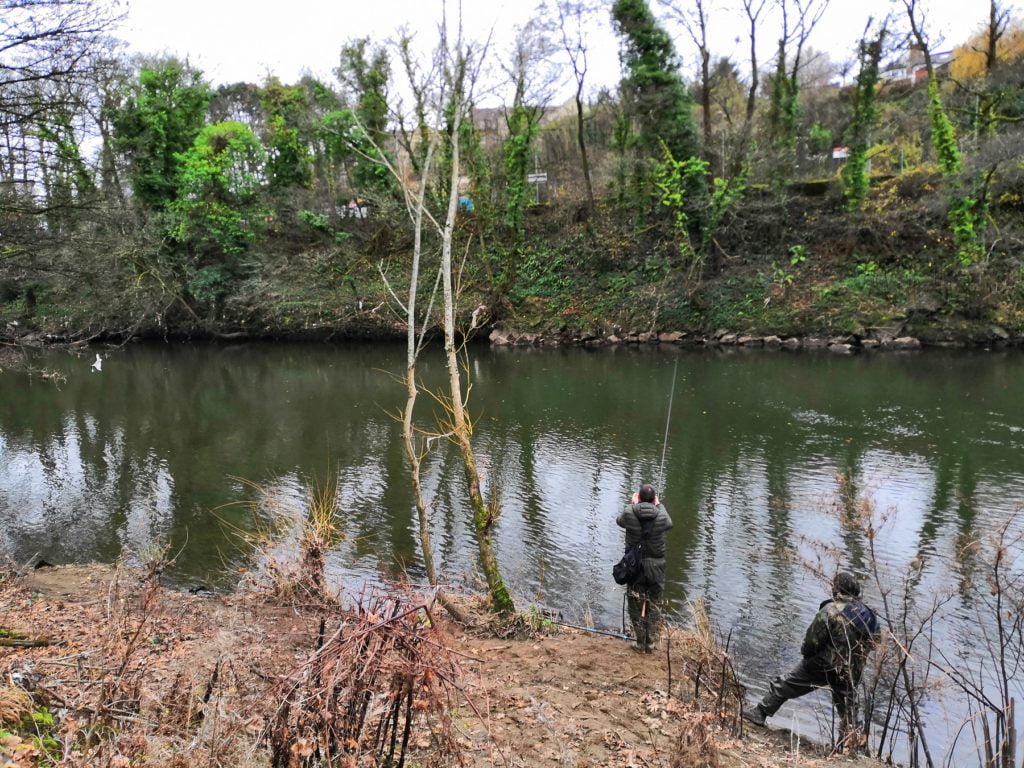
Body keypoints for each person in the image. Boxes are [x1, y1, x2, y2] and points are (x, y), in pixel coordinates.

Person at [743, 571, 880, 738]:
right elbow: (875, 643)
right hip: (851, 671)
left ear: (837, 589)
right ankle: (852, 742)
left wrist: (807, 657)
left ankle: (760, 713)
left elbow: (812, 642)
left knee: (787, 684)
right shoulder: (870, 616)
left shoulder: (830, 610)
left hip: (823, 665)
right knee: (848, 707)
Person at [616, 483, 673, 653]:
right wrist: (658, 505)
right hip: (656, 567)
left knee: (634, 602)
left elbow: (619, 521)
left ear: (638, 497)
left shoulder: (629, 512)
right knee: (654, 603)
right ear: (654, 499)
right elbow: (669, 523)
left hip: (635, 567)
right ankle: (651, 642)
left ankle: (640, 642)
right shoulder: (661, 515)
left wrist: (633, 504)